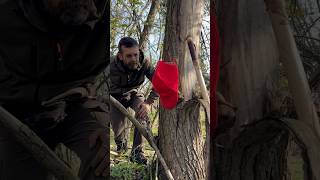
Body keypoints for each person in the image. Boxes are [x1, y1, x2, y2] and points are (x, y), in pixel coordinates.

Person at [0, 0, 109, 179]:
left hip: (75, 107)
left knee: (101, 162)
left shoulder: (104, 18)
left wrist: (106, 123)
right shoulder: (6, 13)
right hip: (14, 116)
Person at [109, 37, 158, 164]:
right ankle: (121, 148)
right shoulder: (110, 65)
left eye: (135, 54)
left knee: (142, 112)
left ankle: (137, 153)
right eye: (129, 56)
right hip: (114, 97)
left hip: (134, 94)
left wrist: (148, 103)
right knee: (119, 132)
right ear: (120, 56)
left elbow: (159, 83)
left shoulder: (145, 62)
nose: (134, 59)